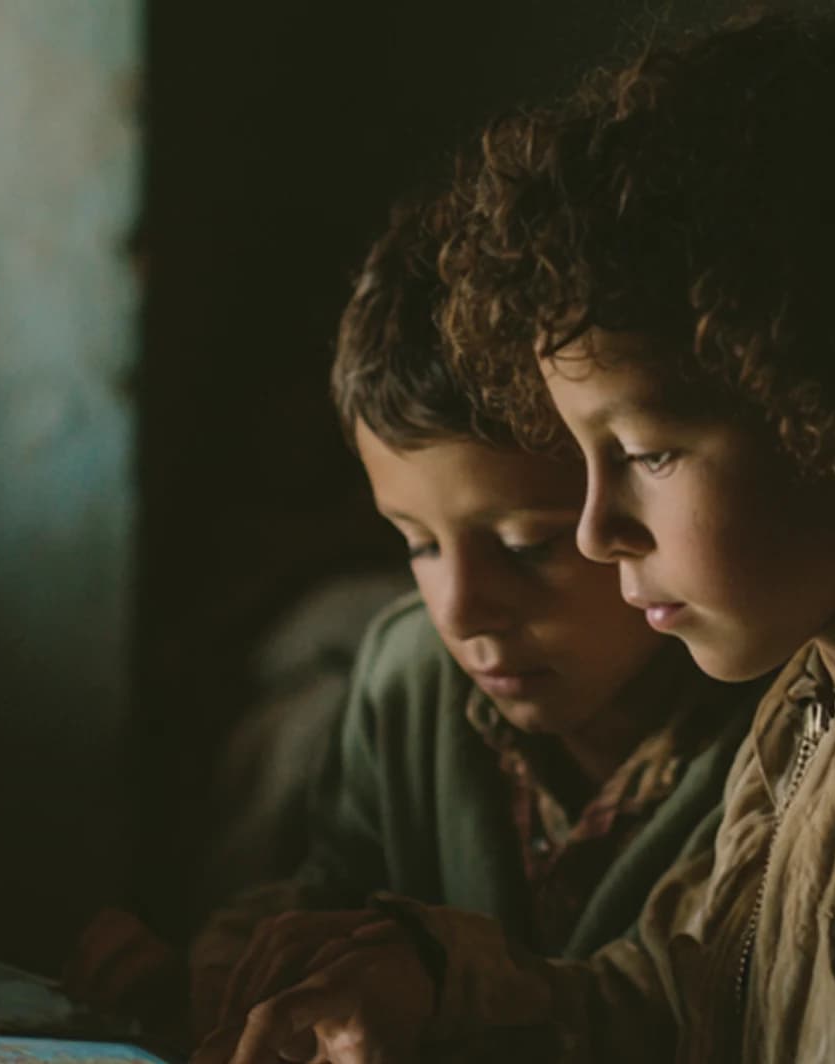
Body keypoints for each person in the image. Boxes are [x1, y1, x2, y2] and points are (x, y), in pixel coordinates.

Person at [199, 4, 835, 1061]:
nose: (595, 529)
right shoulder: (828, 682)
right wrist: (433, 982)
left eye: (646, 452)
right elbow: (690, 997)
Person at [70, 191, 765, 1048]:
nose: (460, 610)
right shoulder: (408, 672)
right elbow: (334, 886)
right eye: (417, 544)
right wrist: (225, 977)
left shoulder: (774, 742)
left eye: (526, 546)